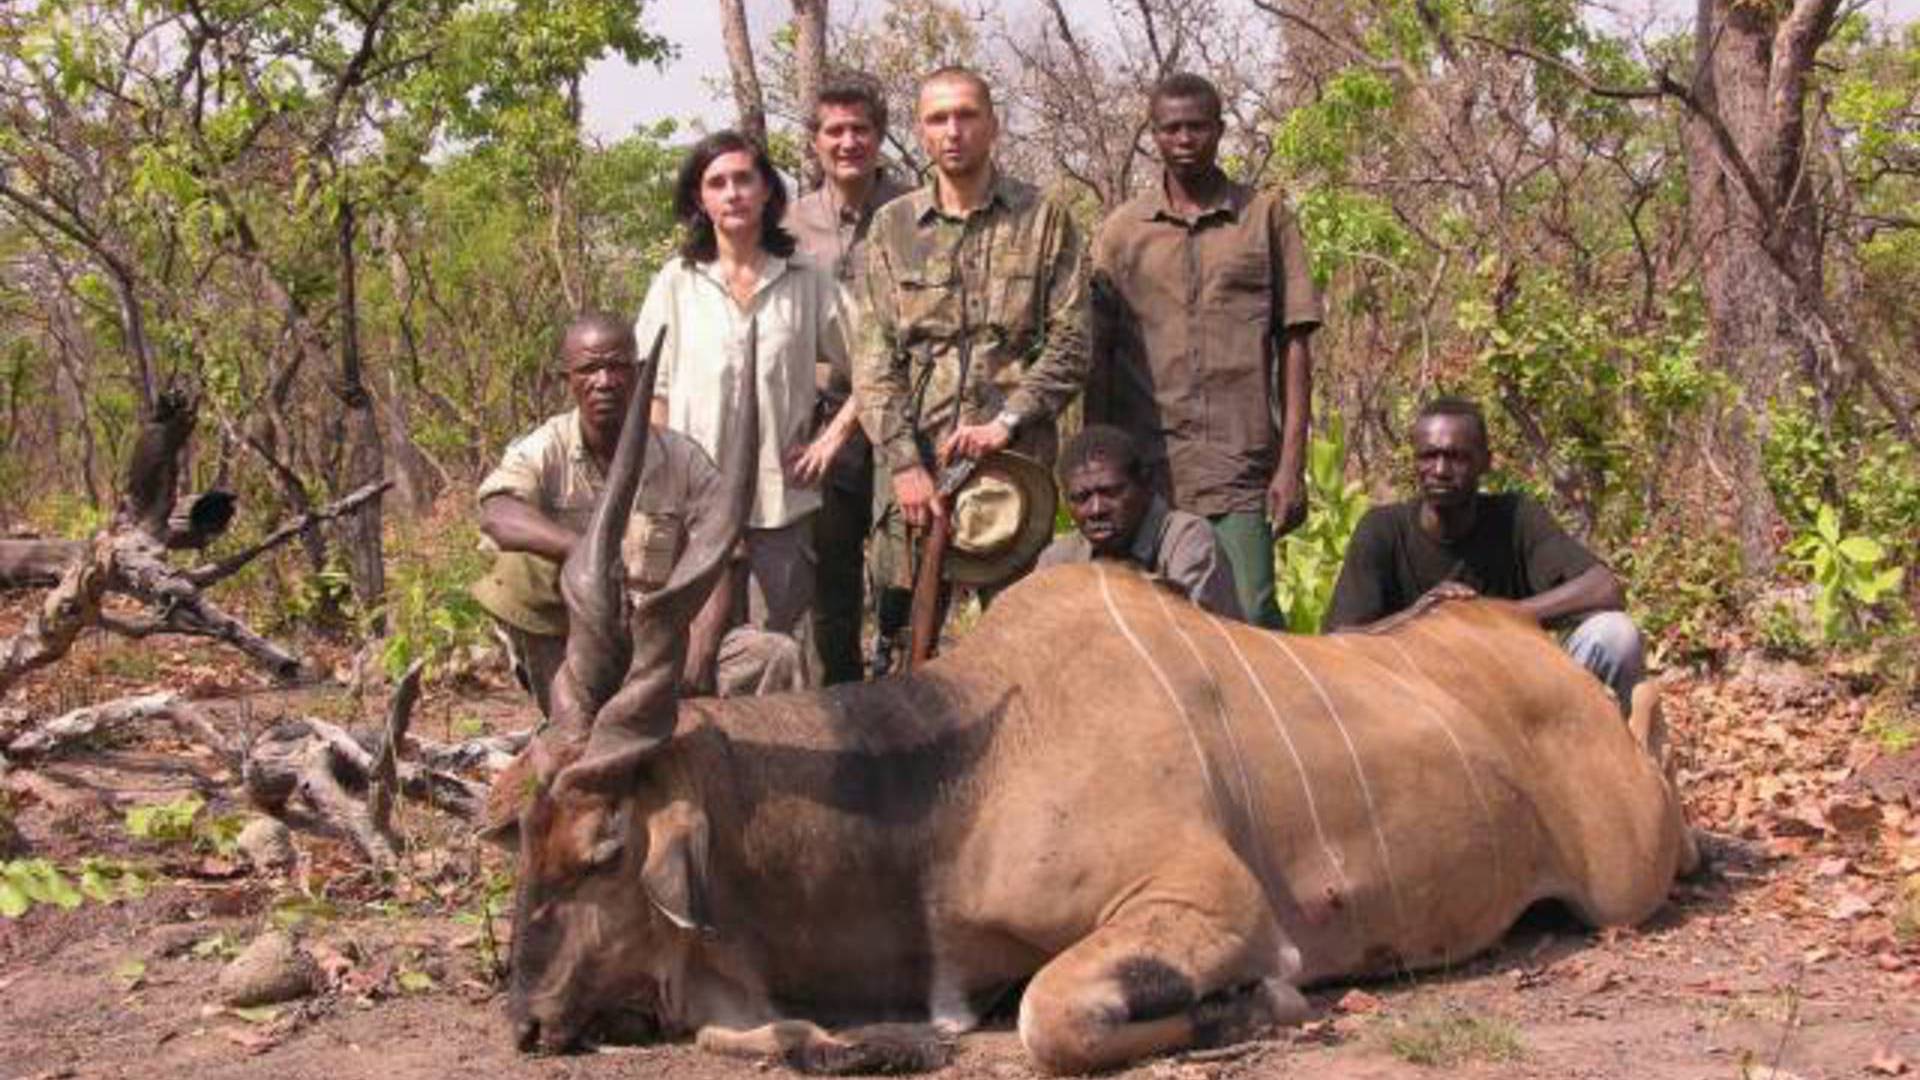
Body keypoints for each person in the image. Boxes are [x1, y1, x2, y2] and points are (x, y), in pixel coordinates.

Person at [854, 65, 1090, 665]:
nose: (953, 130)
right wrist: (905, 463)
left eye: (966, 115)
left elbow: (1072, 341)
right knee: (906, 648)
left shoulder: (1044, 220)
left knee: (1020, 648)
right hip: (918, 480)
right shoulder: (891, 228)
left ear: (993, 125)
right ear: (921, 132)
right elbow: (875, 357)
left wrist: (1005, 422)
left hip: (1013, 469)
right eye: (938, 118)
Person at [472, 313, 803, 716]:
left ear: (639, 372)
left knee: (775, 654)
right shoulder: (545, 448)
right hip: (581, 646)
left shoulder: (682, 458)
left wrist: (700, 651)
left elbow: (722, 554)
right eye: (590, 369)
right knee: (519, 576)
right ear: (568, 380)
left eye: (617, 366)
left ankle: (765, 775)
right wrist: (580, 550)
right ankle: (564, 727)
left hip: (661, 644)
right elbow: (498, 514)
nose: (605, 381)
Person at [1087, 72, 1323, 629]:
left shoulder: (1264, 217)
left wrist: (1291, 466)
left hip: (1237, 467)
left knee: (1251, 614)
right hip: (1143, 471)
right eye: (1172, 128)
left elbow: (1295, 343)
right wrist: (1093, 465)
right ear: (1154, 134)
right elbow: (1099, 357)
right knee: (1145, 624)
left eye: (1198, 126)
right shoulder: (1123, 232)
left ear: (1220, 130)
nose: (1185, 139)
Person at [636, 130, 854, 688]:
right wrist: (675, 489)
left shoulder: (806, 277)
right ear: (699, 200)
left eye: (743, 179)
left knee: (777, 659)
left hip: (780, 505)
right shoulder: (676, 282)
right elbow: (651, 394)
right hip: (694, 513)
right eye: (717, 183)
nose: (732, 193)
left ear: (766, 192)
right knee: (696, 664)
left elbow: (875, 367)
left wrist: (832, 438)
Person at [1324, 397, 1644, 713]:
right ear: (1415, 461)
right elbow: (1337, 640)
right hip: (1413, 701)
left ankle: (1610, 759)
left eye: (1456, 457)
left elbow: (1605, 587)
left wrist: (1488, 617)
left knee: (1615, 634)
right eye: (1428, 456)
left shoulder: (1516, 517)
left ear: (1486, 462)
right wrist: (1419, 620)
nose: (1440, 470)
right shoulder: (1382, 529)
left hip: (1515, 694)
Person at [783, 74, 913, 685]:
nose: (848, 142)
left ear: (881, 135)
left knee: (901, 574)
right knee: (829, 584)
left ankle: (905, 697)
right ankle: (838, 704)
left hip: (902, 420)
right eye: (834, 131)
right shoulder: (785, 225)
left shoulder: (917, 212)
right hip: (818, 420)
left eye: (860, 129)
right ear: (815, 142)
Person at [1037, 425, 1241, 618]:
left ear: (1146, 485)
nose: (1096, 510)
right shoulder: (1058, 560)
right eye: (1082, 498)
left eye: (1111, 492)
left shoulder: (1186, 538)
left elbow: (1191, 635)